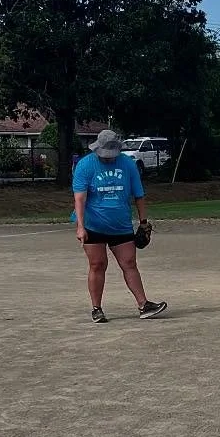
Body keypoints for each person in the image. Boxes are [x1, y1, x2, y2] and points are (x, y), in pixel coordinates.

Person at [72, 128, 167, 323]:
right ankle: (97, 309)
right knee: (98, 264)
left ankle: (144, 305)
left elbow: (138, 195)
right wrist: (80, 227)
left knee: (129, 263)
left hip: (121, 225)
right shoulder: (85, 165)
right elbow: (79, 199)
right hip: (93, 224)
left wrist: (143, 223)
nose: (108, 158)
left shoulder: (128, 164)